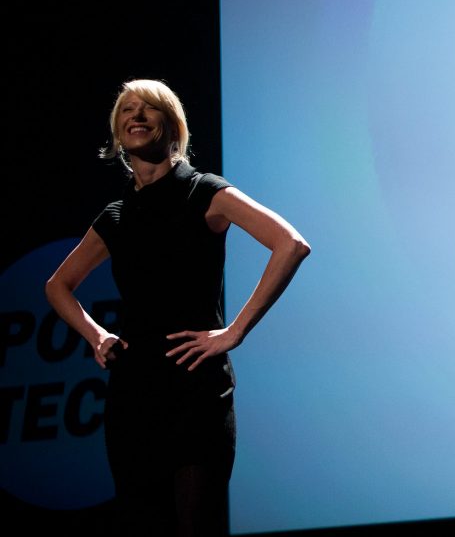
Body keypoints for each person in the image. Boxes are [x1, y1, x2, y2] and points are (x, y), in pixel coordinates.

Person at [45, 79, 311, 534]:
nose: (138, 115)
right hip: (133, 394)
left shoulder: (204, 193)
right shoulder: (116, 215)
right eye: (128, 109)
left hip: (195, 389)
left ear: (172, 128)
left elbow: (290, 244)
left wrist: (234, 331)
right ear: (117, 133)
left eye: (151, 109)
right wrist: (96, 335)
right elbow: (57, 286)